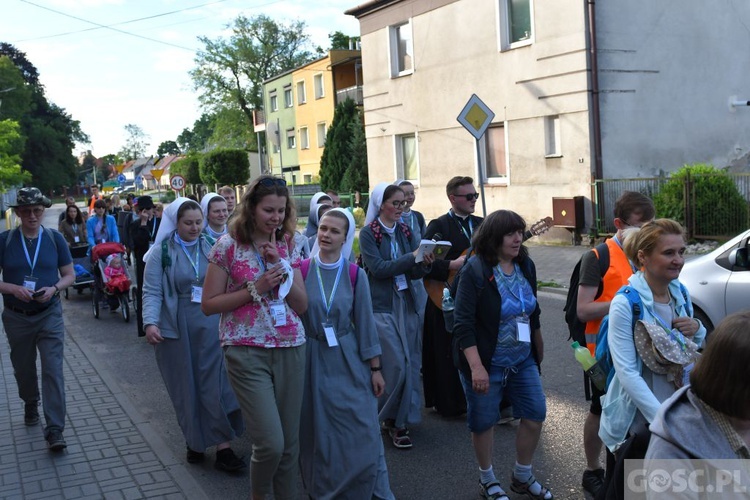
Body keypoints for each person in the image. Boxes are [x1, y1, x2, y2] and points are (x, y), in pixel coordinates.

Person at [201, 175, 308, 500]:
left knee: (289, 447)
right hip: (245, 351)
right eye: (268, 210)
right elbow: (209, 305)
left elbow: (301, 305)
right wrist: (255, 288)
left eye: (281, 210)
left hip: (291, 347)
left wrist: (282, 265)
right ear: (251, 209)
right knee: (270, 444)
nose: (275, 217)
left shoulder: (289, 243)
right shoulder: (228, 245)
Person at [452, 210, 552, 500]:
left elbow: (532, 311)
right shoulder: (475, 269)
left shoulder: (526, 265)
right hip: (486, 361)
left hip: (522, 359)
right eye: (510, 233)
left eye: (520, 232)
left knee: (535, 414)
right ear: (494, 237)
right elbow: (463, 324)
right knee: (484, 422)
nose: (518, 238)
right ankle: (488, 480)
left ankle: (522, 475)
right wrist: (477, 367)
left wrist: (538, 343)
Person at [141, 198, 246, 473]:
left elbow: (231, 281)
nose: (195, 227)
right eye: (188, 223)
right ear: (175, 223)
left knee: (216, 384)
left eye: (199, 222)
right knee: (186, 387)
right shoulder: (159, 253)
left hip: (211, 324)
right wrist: (150, 323)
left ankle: (223, 446)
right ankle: (195, 441)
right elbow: (151, 291)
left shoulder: (213, 247)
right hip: (176, 329)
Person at [299, 208, 395, 499]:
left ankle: (368, 487)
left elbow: (366, 325)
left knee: (361, 427)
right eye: (324, 228)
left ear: (345, 237)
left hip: (348, 358)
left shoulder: (355, 275)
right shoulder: (300, 270)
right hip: (311, 359)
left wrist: (375, 369)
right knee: (319, 432)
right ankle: (323, 488)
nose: (326, 234)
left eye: (335, 231)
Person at [598, 219, 706, 455]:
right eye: (669, 253)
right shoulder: (625, 303)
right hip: (639, 421)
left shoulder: (680, 292)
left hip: (677, 410)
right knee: (635, 487)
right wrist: (662, 422)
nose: (678, 260)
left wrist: (696, 327)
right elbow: (627, 372)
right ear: (643, 257)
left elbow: (689, 349)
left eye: (681, 251)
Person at [575, 191, 654, 496]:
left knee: (628, 413)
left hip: (639, 352)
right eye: (639, 225)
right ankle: (594, 470)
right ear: (619, 223)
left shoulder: (646, 253)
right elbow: (583, 310)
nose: (646, 232)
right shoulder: (597, 257)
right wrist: (624, 302)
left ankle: (620, 476)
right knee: (601, 410)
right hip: (600, 356)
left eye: (651, 225)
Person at [359, 182, 433, 449]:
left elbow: (412, 272)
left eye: (404, 203)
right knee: (396, 365)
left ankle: (399, 422)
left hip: (407, 301)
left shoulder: (405, 229)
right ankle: (379, 416)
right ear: (381, 205)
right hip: (383, 305)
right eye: (396, 203)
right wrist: (413, 257)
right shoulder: (368, 233)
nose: (402, 208)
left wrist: (424, 263)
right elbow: (377, 269)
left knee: (411, 362)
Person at [0, 187, 75, 451]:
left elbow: (69, 275)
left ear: (43, 211)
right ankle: (30, 401)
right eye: (27, 211)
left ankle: (55, 429)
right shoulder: (5, 240)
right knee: (23, 369)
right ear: (18, 213)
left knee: (53, 369)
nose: (32, 216)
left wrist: (55, 289)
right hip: (16, 317)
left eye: (37, 210)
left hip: (49, 314)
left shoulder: (54, 239)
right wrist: (12, 288)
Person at [646, 310, 750, 461]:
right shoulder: (672, 450)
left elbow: (695, 340)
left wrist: (698, 327)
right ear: (739, 387)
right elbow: (627, 372)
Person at [422, 176, 482, 418]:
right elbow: (426, 263)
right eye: (468, 196)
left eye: (475, 195)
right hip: (445, 295)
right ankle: (448, 402)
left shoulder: (482, 224)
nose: (473, 200)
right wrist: (453, 263)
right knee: (446, 351)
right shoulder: (439, 226)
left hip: (476, 297)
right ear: (452, 198)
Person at [130, 195, 160, 337]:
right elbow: (138, 242)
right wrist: (143, 223)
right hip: (143, 262)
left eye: (149, 208)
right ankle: (145, 326)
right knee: (145, 291)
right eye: (143, 209)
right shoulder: (135, 225)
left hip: (159, 260)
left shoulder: (159, 222)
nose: (147, 211)